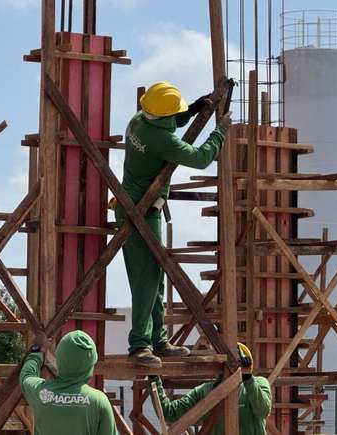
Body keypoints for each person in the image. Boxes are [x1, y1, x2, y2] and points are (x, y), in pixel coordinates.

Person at [118, 81, 232, 367]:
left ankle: (157, 339)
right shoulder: (162, 141)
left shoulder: (139, 120)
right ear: (165, 117)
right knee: (146, 278)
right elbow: (202, 157)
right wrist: (220, 132)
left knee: (155, 277)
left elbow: (169, 121)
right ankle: (140, 345)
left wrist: (193, 109)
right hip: (141, 213)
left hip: (134, 207)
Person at [150, 343, 272, 435]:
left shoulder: (259, 384)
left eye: (238, 360)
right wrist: (153, 376)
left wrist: (248, 378)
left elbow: (263, 410)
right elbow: (169, 412)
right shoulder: (204, 391)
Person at [20, 330, 116, 435]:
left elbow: (26, 375)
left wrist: (37, 349)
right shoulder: (99, 401)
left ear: (60, 358)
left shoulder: (41, 393)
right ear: (91, 364)